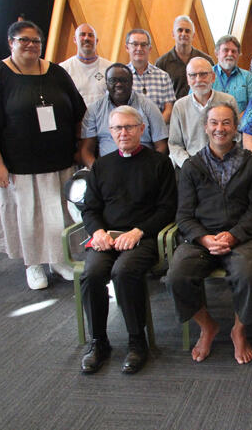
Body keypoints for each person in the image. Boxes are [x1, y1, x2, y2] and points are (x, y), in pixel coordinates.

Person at [0, 20, 86, 290]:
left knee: (58, 215)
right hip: (19, 167)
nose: (31, 45)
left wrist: (78, 147)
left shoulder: (56, 73)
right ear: (11, 43)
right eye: (24, 40)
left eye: (35, 41)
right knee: (28, 219)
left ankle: (60, 260)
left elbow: (77, 112)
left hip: (59, 163)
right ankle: (33, 265)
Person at [166, 103, 252, 364]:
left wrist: (233, 235)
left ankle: (239, 330)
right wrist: (204, 238)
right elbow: (184, 215)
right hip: (201, 239)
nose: (219, 129)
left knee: (247, 275)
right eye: (214, 123)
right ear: (205, 127)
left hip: (241, 237)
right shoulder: (191, 166)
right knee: (176, 276)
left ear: (235, 128)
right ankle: (207, 325)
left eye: (225, 123)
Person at [79, 106, 177, 375]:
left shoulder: (159, 162)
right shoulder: (101, 166)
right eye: (117, 128)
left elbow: (168, 208)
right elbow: (90, 208)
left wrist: (138, 232)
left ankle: (137, 342)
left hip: (144, 237)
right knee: (92, 274)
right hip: (108, 238)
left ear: (142, 129)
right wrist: (97, 231)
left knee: (124, 272)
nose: (123, 133)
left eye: (129, 127)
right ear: (110, 132)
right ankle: (99, 342)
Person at [79, 63, 168, 167]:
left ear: (131, 82)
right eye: (113, 80)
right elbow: (86, 150)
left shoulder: (148, 106)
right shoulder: (94, 109)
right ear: (106, 83)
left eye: (123, 80)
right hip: (108, 169)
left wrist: (152, 169)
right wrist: (98, 173)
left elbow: (161, 146)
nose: (118, 84)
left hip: (143, 167)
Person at [168, 58, 239, 168]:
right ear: (187, 79)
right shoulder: (180, 106)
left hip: (224, 163)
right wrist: (189, 165)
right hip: (191, 164)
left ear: (213, 77)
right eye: (193, 75)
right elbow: (174, 144)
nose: (198, 80)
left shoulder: (228, 101)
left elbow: (237, 136)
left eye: (203, 74)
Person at [155, 15, 215, 100]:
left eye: (187, 31)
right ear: (173, 34)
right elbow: (159, 94)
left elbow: (214, 87)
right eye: (180, 30)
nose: (184, 34)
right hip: (174, 111)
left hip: (202, 110)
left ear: (193, 35)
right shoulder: (162, 63)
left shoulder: (206, 60)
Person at [125, 28, 176, 123]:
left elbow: (168, 110)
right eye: (135, 44)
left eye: (144, 45)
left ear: (150, 49)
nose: (139, 48)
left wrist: (155, 129)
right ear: (127, 48)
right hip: (128, 133)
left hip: (158, 134)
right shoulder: (120, 77)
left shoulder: (163, 77)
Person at [59, 23, 113, 106]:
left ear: (96, 41)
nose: (87, 38)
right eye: (82, 35)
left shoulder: (110, 68)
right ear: (74, 39)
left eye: (91, 35)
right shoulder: (63, 69)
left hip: (102, 118)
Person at [212, 34, 252, 115]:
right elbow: (195, 102)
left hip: (241, 125)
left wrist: (238, 120)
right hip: (212, 125)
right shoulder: (205, 75)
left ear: (238, 55)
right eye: (226, 50)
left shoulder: (248, 78)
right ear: (217, 53)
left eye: (234, 51)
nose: (230, 54)